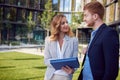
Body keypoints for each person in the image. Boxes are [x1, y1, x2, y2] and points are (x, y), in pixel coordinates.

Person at [78, 1, 119, 80]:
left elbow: (112, 71)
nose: (84, 19)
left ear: (95, 16)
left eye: (86, 15)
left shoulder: (109, 33)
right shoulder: (94, 34)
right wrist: (88, 50)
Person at [44, 14, 78, 80]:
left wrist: (72, 70)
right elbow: (46, 60)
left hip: (66, 76)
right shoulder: (48, 40)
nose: (66, 25)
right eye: (63, 23)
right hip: (51, 76)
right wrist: (57, 63)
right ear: (57, 25)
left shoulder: (74, 40)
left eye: (67, 22)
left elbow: (75, 61)